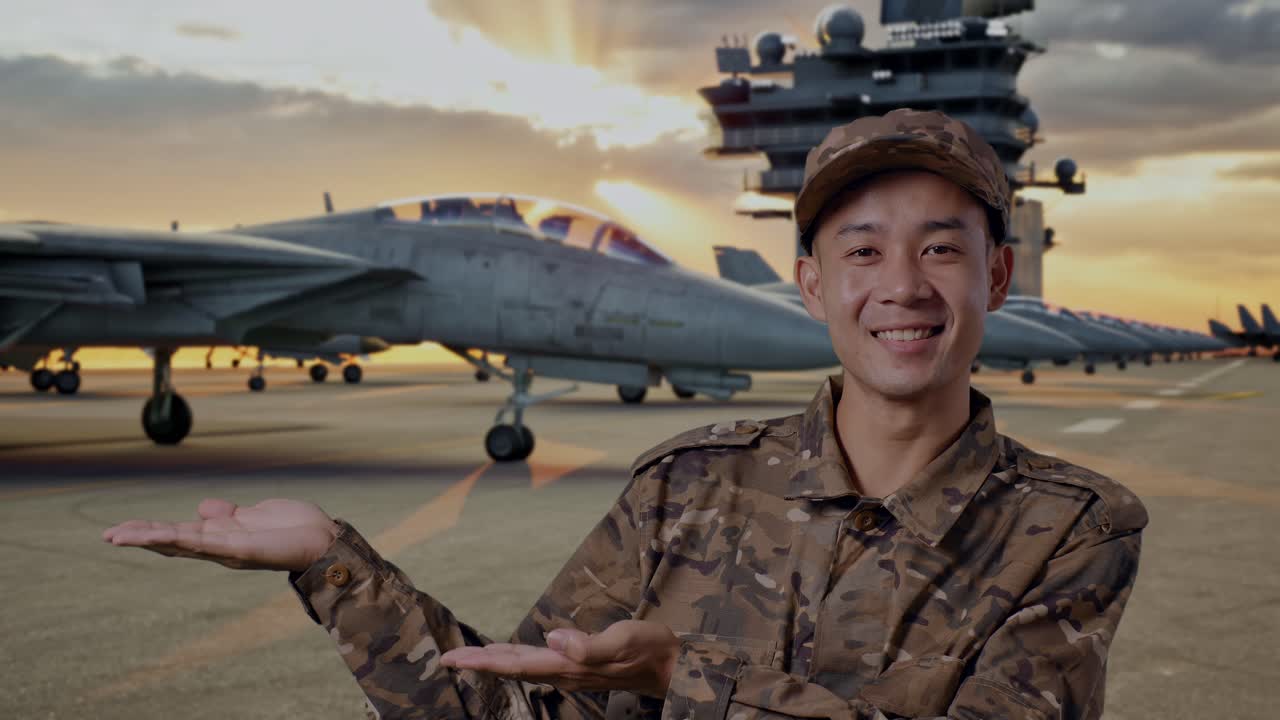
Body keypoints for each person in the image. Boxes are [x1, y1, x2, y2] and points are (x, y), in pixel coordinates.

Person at [103, 108, 1147, 720]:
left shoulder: (1072, 526)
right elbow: (517, 709)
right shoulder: (683, 486)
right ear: (811, 284)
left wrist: (676, 676)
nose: (902, 288)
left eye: (940, 246)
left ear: (997, 275)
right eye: (862, 250)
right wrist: (335, 568)